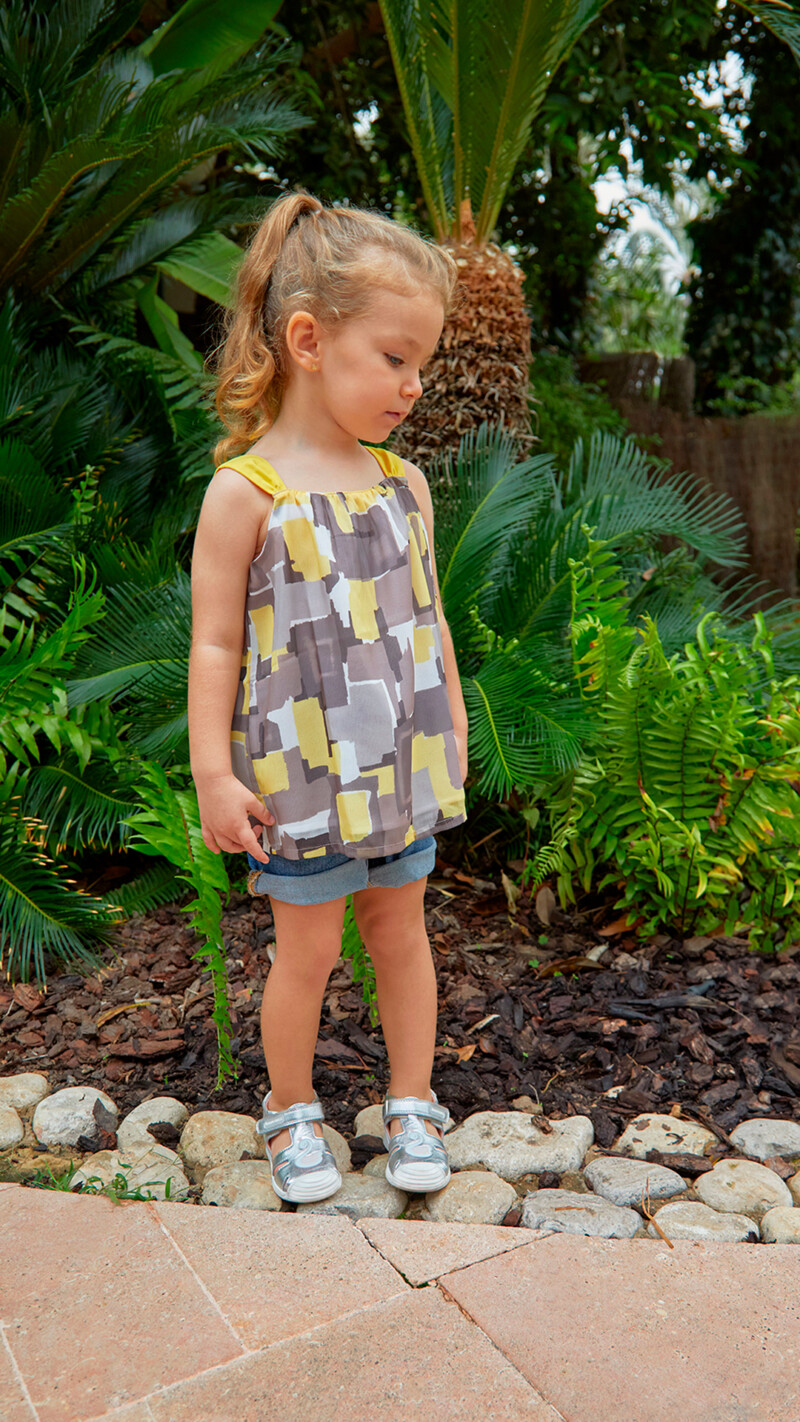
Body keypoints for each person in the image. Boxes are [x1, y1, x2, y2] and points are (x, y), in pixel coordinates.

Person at [189, 189, 468, 1205]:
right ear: (308, 340)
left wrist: (455, 720)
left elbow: (429, 617)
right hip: (297, 775)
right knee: (304, 950)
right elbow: (215, 643)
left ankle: (411, 1101)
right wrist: (212, 773)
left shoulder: (404, 485)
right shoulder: (245, 495)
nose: (413, 385)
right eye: (394, 358)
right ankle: (292, 1108)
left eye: (421, 363)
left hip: (401, 763)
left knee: (402, 933)